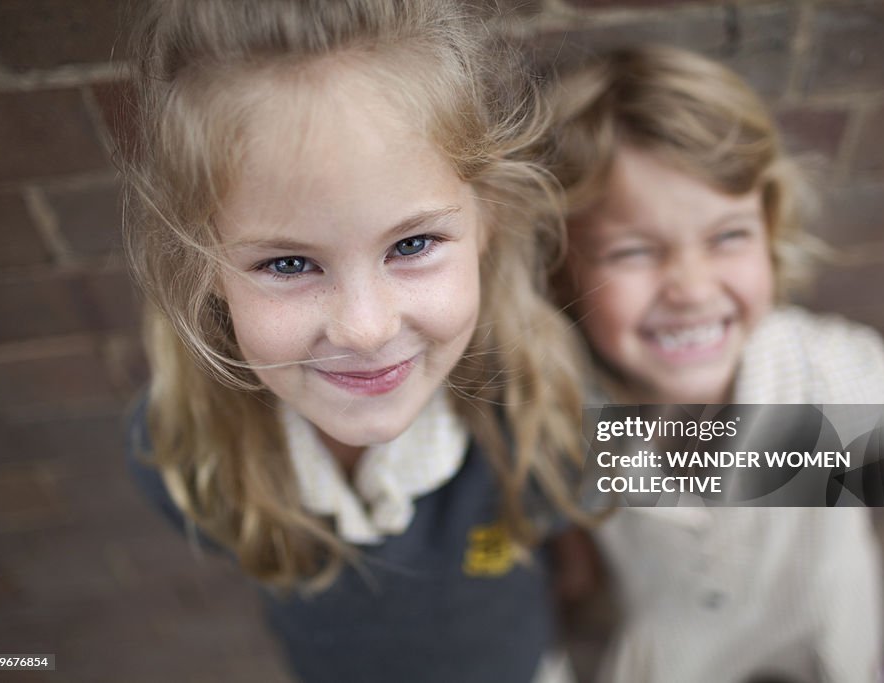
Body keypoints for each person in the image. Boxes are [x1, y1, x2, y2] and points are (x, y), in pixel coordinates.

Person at [120, 1, 589, 681]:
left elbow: (777, 459)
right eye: (287, 264)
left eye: (413, 243)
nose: (365, 328)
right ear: (203, 265)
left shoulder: (546, 393)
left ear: (491, 218)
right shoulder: (178, 450)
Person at [545, 46, 884, 683]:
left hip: (815, 608)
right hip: (675, 635)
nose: (690, 286)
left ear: (769, 231)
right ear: (563, 267)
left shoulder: (825, 366)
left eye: (728, 237)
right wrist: (573, 560)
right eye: (634, 251)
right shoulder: (561, 407)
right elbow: (563, 504)